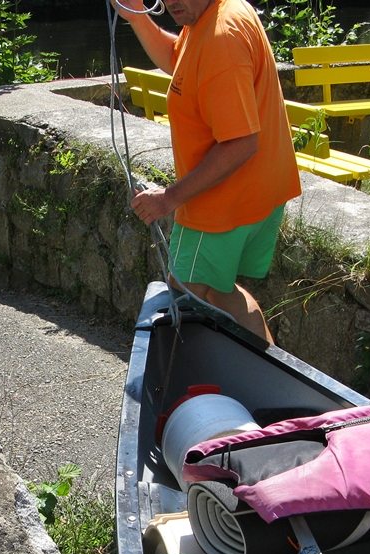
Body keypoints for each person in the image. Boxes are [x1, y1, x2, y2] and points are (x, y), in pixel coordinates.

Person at [119, 0, 300, 342]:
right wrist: (137, 19)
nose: (170, 1)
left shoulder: (221, 38)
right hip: (261, 189)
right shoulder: (216, 13)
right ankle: (271, 367)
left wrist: (169, 197)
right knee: (218, 289)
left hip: (221, 204)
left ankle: (186, 376)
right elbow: (179, 59)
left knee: (184, 297)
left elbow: (240, 144)